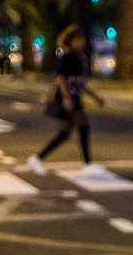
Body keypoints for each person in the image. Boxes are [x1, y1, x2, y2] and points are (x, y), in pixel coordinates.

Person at [28, 26, 104, 174]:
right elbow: (61, 79)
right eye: (78, 40)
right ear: (71, 42)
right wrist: (66, 98)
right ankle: (88, 164)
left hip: (74, 97)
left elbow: (80, 83)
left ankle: (37, 158)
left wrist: (95, 97)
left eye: (81, 39)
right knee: (83, 127)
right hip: (70, 99)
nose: (81, 42)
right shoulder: (68, 58)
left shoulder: (79, 58)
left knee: (64, 134)